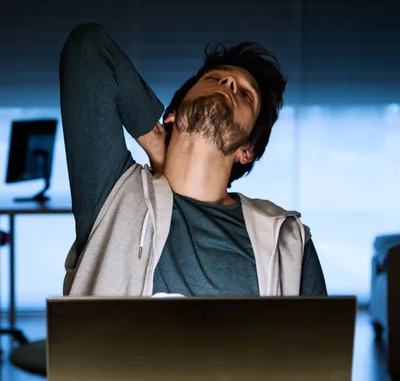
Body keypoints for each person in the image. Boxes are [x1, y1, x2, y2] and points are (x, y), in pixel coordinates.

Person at [60, 23, 327, 297]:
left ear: (247, 150)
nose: (229, 83)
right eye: (214, 79)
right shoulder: (114, 193)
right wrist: (155, 140)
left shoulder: (289, 240)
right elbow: (88, 48)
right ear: (173, 114)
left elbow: (320, 339)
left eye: (246, 95)